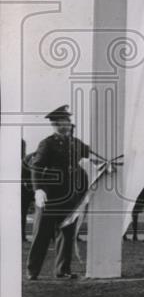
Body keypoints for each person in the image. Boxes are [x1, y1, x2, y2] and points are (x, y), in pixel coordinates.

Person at [26, 105, 93, 280]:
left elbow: (93, 155)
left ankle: (62, 270)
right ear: (53, 126)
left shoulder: (77, 143)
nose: (63, 127)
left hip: (70, 196)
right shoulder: (47, 143)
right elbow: (36, 166)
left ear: (70, 124)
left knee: (67, 233)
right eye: (58, 124)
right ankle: (32, 271)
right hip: (50, 196)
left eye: (65, 123)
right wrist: (38, 189)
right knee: (42, 234)